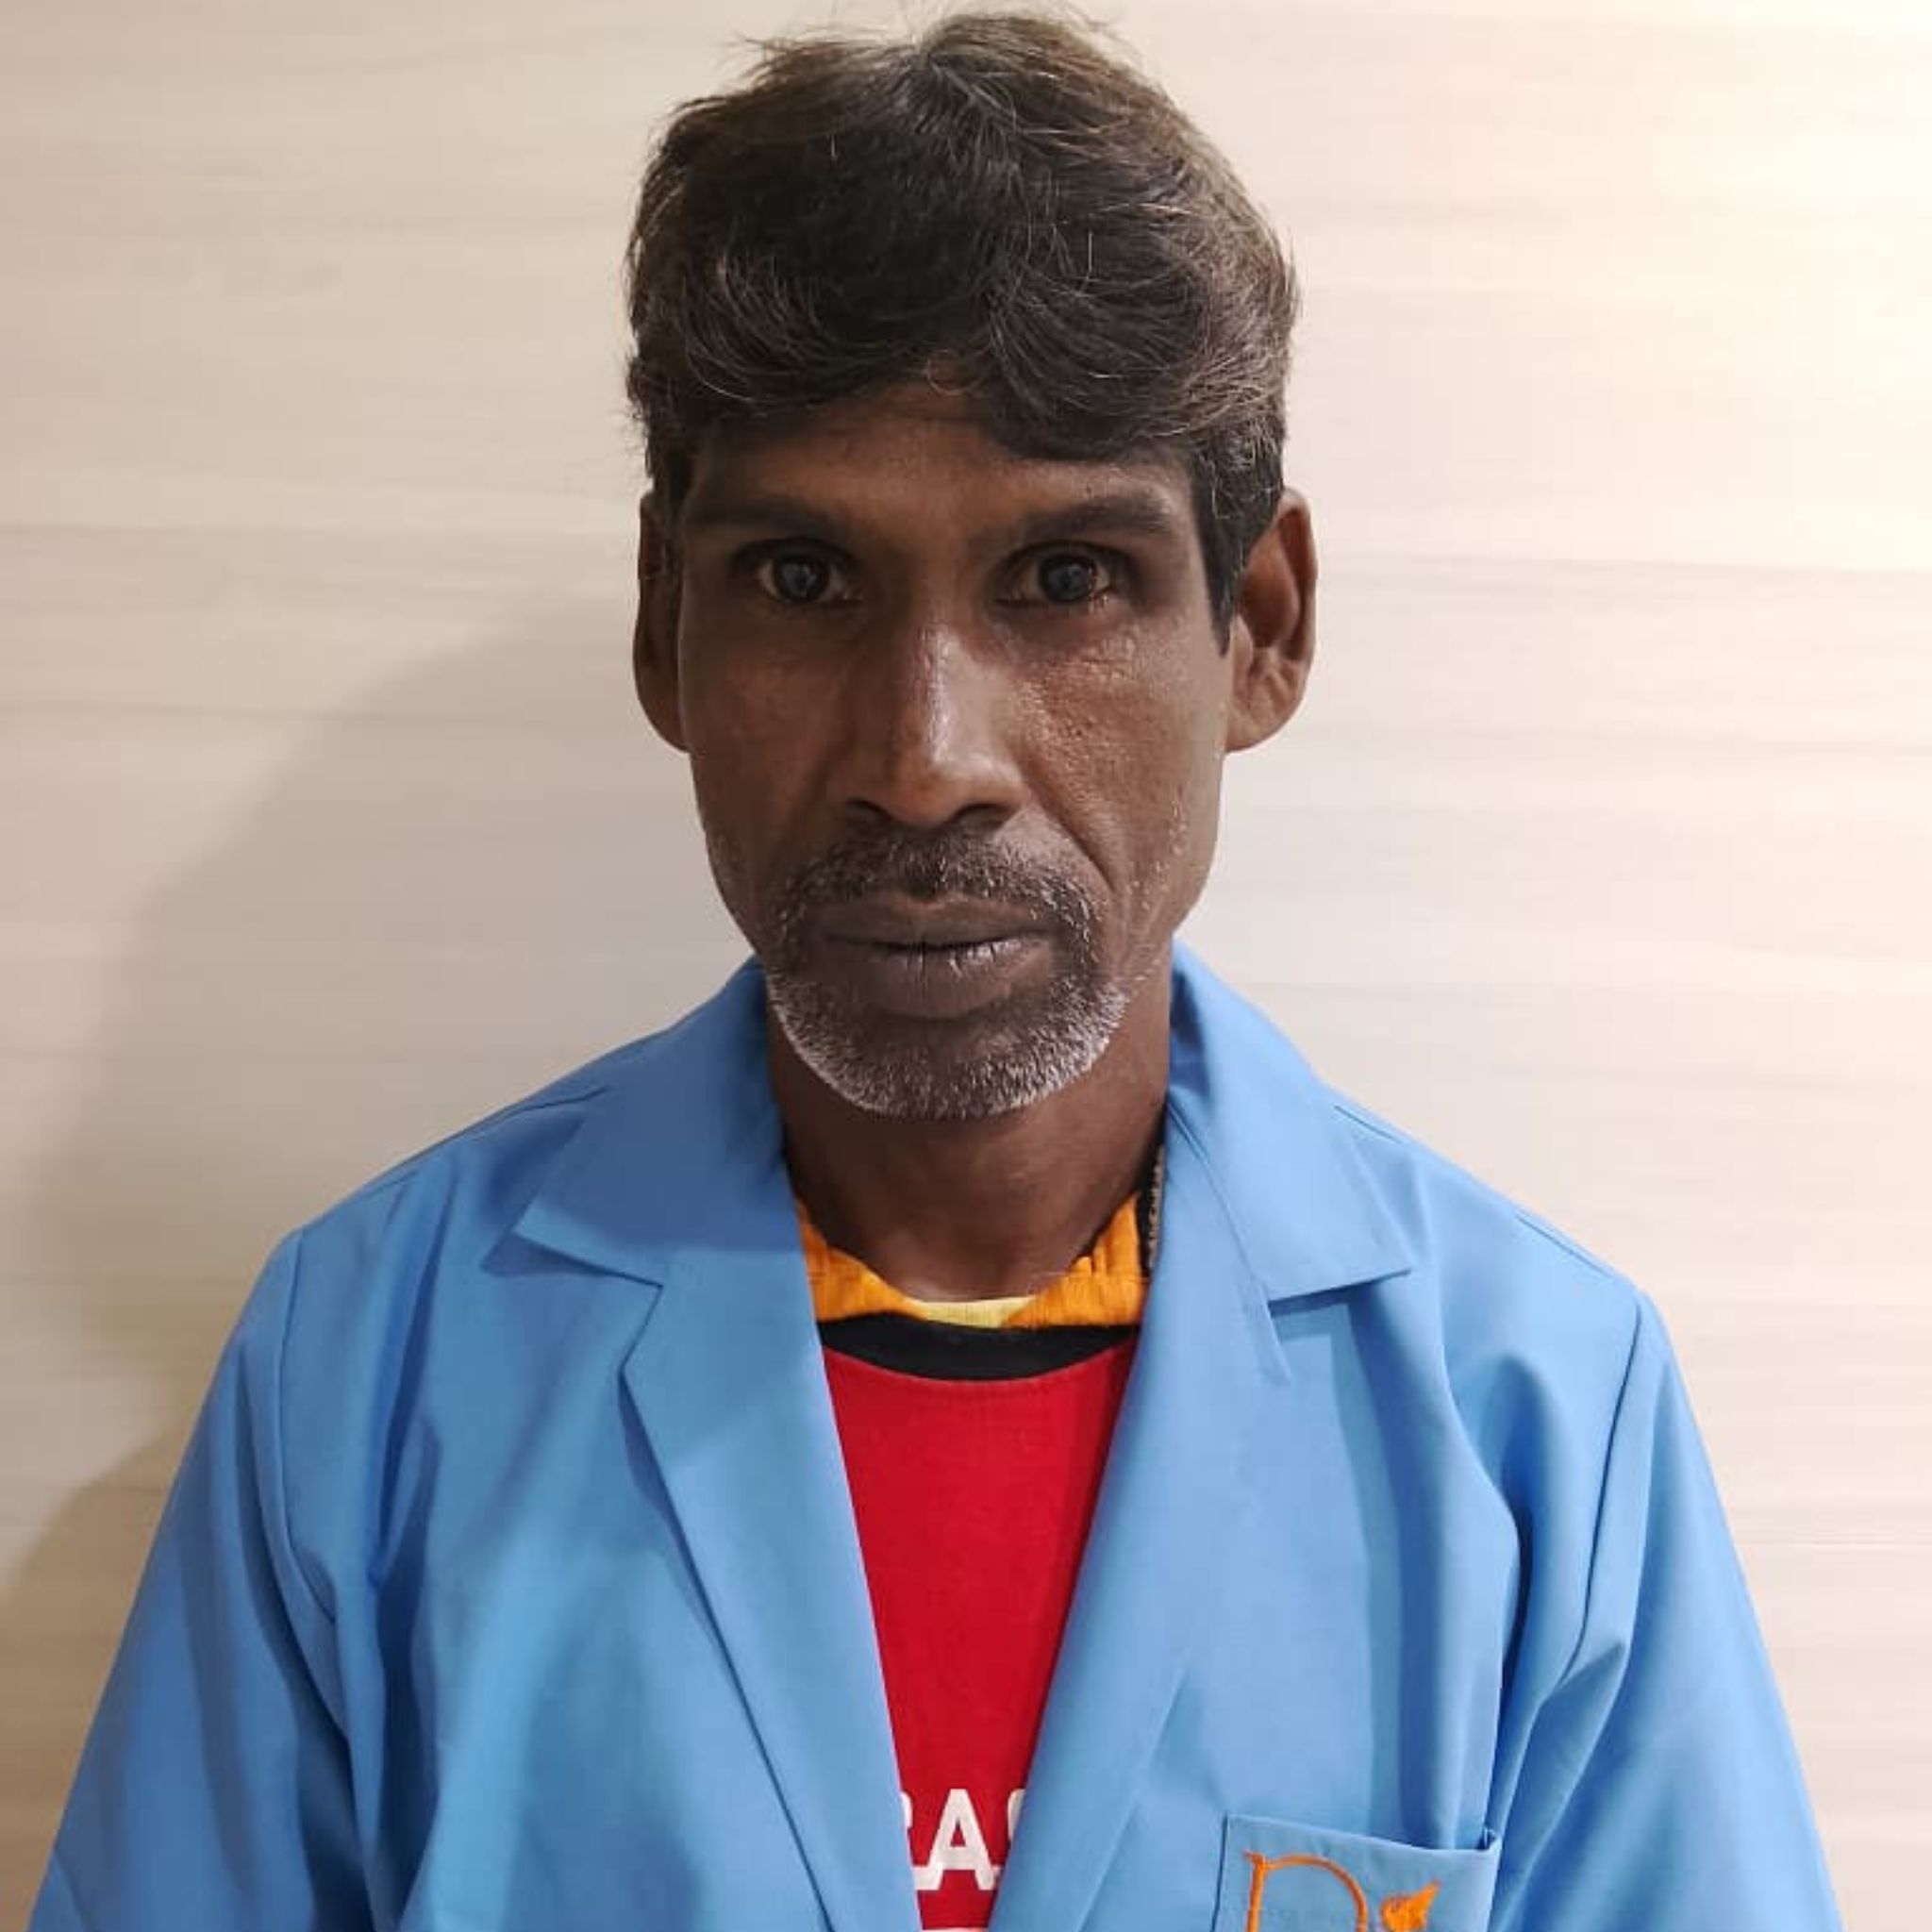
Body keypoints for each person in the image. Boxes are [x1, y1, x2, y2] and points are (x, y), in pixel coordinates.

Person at [30, 13, 1843, 1932]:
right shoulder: (367, 1370)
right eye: (804, 580)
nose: (924, 758)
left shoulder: (1534, 1413)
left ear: (1259, 629)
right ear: (662, 623)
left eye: (1065, 579)